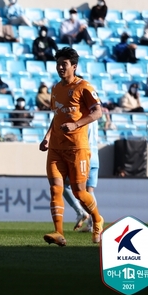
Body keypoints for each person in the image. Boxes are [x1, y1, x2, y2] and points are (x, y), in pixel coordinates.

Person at [39, 47, 104, 247]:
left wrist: (76, 124)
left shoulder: (84, 87)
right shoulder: (56, 88)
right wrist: (47, 137)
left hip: (78, 148)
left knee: (79, 192)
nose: (60, 67)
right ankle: (59, 232)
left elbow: (98, 112)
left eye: (64, 64)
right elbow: (57, 116)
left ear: (74, 67)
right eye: (58, 64)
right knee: (55, 189)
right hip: (56, 149)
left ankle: (97, 218)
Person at [63, 121, 100, 233]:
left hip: (85, 155)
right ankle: (92, 224)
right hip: (95, 155)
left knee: (63, 184)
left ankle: (80, 212)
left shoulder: (83, 118)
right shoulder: (94, 118)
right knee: (89, 190)